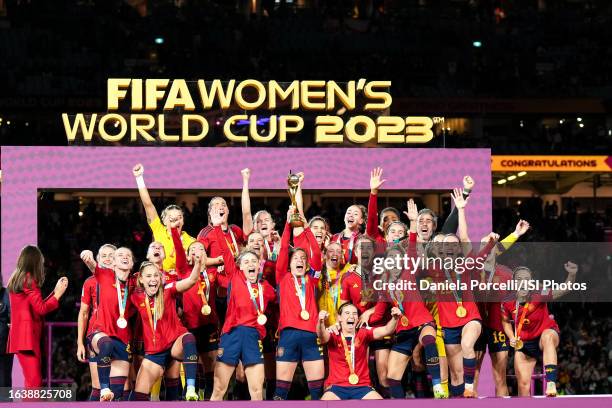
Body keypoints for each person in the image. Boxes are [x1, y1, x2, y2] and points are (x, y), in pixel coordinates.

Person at [209, 210, 276, 401]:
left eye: (254, 261)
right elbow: (224, 250)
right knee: (219, 390)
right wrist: (217, 226)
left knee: (257, 392)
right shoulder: (235, 277)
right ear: (239, 266)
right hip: (231, 334)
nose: (250, 263)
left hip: (253, 336)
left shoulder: (266, 288)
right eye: (246, 261)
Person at [129, 253, 201, 401]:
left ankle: (191, 389)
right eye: (148, 276)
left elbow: (192, 280)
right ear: (141, 279)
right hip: (154, 352)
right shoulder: (135, 295)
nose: (153, 279)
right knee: (138, 397)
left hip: (175, 344)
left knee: (189, 338)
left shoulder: (168, 289)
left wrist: (198, 263)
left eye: (156, 275)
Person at [502, 262, 578, 397]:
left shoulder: (539, 292)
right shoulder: (507, 301)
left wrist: (571, 275)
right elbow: (506, 321)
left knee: (547, 337)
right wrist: (512, 337)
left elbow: (563, 289)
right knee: (523, 386)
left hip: (545, 335)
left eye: (527, 279)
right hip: (524, 343)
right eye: (519, 280)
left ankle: (550, 382)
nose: (523, 283)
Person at [274, 206, 325, 400]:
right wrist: (288, 223)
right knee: (280, 391)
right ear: (289, 262)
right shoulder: (282, 277)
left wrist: (305, 225)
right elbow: (285, 248)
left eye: (303, 259)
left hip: (312, 335)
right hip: (288, 335)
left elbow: (317, 256)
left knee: (317, 392)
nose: (300, 261)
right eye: (295, 258)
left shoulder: (311, 279)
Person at [7, 245, 68, 388]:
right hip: (26, 339)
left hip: (23, 338)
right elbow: (41, 309)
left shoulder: (20, 278)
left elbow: (36, 306)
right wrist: (58, 295)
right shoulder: (29, 279)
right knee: (34, 383)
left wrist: (54, 292)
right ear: (35, 262)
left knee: (32, 382)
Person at [80, 247, 135, 401]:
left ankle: (107, 393)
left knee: (118, 394)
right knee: (106, 345)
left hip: (123, 337)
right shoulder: (103, 276)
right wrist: (88, 258)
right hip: (99, 332)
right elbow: (92, 266)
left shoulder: (135, 282)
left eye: (128, 256)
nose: (124, 258)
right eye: (120, 255)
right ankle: (105, 387)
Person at [317, 303, 401, 400]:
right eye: (347, 313)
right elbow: (322, 336)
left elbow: (386, 330)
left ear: (358, 318)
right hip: (336, 387)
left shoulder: (364, 332)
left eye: (354, 313)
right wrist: (321, 322)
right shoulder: (333, 333)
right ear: (339, 318)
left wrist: (395, 318)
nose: (351, 316)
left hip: (363, 386)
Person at [133, 163, 196, 272]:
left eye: (179, 217)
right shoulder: (159, 230)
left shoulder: (191, 241)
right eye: (171, 217)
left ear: (183, 221)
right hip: (158, 279)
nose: (176, 219)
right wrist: (139, 178)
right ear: (164, 220)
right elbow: (148, 205)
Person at [77, 244, 117, 401]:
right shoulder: (90, 282)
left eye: (111, 256)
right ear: (98, 260)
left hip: (121, 335)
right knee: (98, 387)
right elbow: (84, 313)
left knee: (123, 386)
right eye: (104, 256)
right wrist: (80, 342)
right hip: (97, 335)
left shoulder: (125, 280)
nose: (107, 259)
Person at [0, 277, 13, 400]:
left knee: (4, 380)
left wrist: (12, 323)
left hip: (4, 346)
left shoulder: (6, 294)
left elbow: (12, 315)